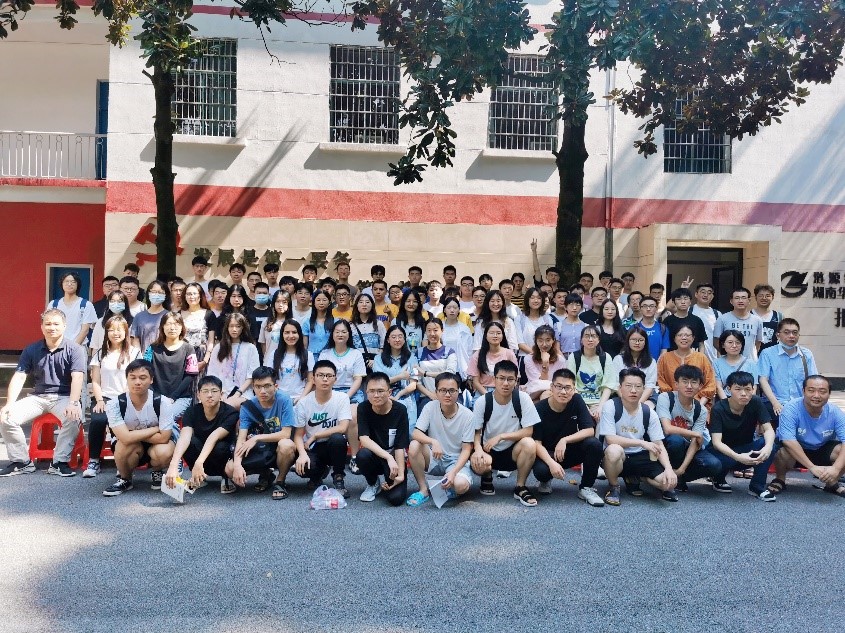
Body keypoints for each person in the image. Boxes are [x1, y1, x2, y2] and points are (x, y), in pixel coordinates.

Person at [0, 309, 86, 477]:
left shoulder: (75, 349)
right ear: (41, 327)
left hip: (64, 397)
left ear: (64, 326)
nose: (51, 327)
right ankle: (21, 462)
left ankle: (59, 462)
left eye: (56, 324)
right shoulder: (32, 349)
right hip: (38, 397)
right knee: (7, 417)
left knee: (74, 417)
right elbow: (19, 376)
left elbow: (77, 377)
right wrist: (9, 404)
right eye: (48, 324)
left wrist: (74, 403)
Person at [598, 368, 678, 505]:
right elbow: (610, 439)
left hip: (640, 456)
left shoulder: (649, 412)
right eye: (628, 386)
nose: (633, 390)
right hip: (619, 457)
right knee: (613, 450)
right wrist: (641, 443)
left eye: (638, 386)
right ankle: (614, 486)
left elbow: (659, 444)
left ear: (643, 389)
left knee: (668, 484)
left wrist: (669, 469)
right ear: (620, 388)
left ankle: (639, 478)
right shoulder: (611, 406)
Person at [470, 360, 540, 506]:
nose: (506, 383)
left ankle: (520, 486)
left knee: (529, 444)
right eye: (501, 378)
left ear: (516, 381)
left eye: (510, 379)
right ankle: (486, 475)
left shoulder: (523, 398)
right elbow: (477, 431)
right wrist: (478, 450)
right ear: (494, 379)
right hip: (488, 450)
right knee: (478, 460)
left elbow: (529, 431)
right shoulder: (483, 401)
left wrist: (501, 436)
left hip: (512, 451)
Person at [102, 359, 176, 496]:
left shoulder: (163, 402)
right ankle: (125, 479)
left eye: (143, 378)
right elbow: (125, 438)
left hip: (155, 445)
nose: (137, 382)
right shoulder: (115, 404)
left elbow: (164, 437)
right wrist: (156, 429)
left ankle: (157, 472)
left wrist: (132, 433)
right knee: (124, 445)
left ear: (151, 380)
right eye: (133, 377)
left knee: (165, 449)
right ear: (127, 379)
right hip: (131, 445)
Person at [532, 368, 605, 506]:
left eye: (567, 388)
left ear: (573, 389)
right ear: (551, 387)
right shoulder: (539, 408)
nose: (563, 392)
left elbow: (589, 430)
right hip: (548, 454)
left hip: (568, 450)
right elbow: (536, 443)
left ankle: (586, 487)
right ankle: (545, 480)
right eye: (559, 387)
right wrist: (551, 463)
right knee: (541, 471)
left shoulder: (576, 400)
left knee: (594, 444)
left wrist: (565, 440)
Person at [227, 366, 297, 500]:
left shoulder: (284, 400)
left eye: (267, 386)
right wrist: (237, 465)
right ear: (253, 387)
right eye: (258, 387)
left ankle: (280, 481)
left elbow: (286, 434)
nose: (262, 391)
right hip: (261, 449)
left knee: (286, 445)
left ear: (275, 386)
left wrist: (256, 438)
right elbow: (241, 439)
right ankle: (266, 474)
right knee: (230, 469)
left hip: (280, 446)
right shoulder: (248, 406)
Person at [84, 315, 142, 478]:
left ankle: (121, 460)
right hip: (104, 397)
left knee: (120, 422)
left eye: (119, 330)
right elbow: (95, 381)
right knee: (98, 420)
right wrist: (99, 400)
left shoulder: (134, 353)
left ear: (126, 332)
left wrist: (124, 398)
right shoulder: (100, 354)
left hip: (126, 397)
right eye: (111, 330)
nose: (115, 333)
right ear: (106, 332)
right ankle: (94, 460)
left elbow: (136, 378)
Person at [406, 372, 475, 506]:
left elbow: (466, 449)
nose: (447, 395)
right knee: (414, 445)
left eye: (452, 390)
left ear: (458, 391)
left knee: (461, 485)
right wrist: (433, 441)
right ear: (436, 392)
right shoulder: (430, 407)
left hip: (456, 461)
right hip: (435, 456)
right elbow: (416, 433)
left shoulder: (468, 415)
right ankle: (423, 490)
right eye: (443, 390)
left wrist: (453, 472)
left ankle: (450, 487)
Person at [706, 371, 778, 500]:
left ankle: (757, 486)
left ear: (753, 389)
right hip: (722, 454)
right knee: (713, 462)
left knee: (769, 444)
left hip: (745, 450)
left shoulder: (755, 402)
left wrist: (768, 447)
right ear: (729, 389)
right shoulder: (718, 408)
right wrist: (738, 457)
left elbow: (768, 429)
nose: (743, 393)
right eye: (738, 389)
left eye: (748, 389)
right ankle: (718, 478)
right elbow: (717, 443)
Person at [770, 375, 845, 497]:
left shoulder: (835, 412)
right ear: (803, 391)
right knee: (782, 451)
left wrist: (836, 469)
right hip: (795, 450)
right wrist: (812, 467)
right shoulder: (790, 409)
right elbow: (788, 440)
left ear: (829, 394)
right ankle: (780, 479)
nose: (816, 395)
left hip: (821, 448)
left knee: (842, 451)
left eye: (822, 391)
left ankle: (832, 482)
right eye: (811, 390)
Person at [164, 375, 239, 494]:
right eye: (205, 391)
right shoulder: (192, 411)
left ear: (221, 394)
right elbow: (184, 437)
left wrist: (199, 462)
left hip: (221, 456)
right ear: (198, 395)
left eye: (214, 391)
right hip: (201, 453)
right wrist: (173, 465)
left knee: (221, 447)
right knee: (189, 442)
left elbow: (214, 436)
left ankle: (225, 477)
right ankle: (199, 477)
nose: (210, 395)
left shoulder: (230, 412)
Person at [657, 365, 722, 495]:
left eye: (694, 382)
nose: (689, 386)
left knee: (714, 465)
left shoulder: (701, 410)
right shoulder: (666, 398)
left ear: (700, 386)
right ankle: (662, 473)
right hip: (664, 446)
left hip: (686, 448)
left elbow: (695, 442)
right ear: (676, 384)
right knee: (676, 440)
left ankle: (679, 477)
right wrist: (694, 433)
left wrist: (682, 469)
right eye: (685, 381)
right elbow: (667, 429)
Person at [292, 359, 352, 498]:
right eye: (320, 375)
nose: (325, 379)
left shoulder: (342, 398)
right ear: (313, 379)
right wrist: (302, 454)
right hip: (314, 447)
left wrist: (316, 435)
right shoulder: (303, 403)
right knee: (304, 466)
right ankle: (317, 474)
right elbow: (298, 435)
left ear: (335, 379)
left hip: (333, 446)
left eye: (329, 376)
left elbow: (343, 427)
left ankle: (338, 478)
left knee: (338, 439)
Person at [318, 320, 367, 471]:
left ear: (349, 335)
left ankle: (354, 457)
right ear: (332, 334)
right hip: (330, 391)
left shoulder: (356, 354)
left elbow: (358, 379)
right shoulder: (325, 354)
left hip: (352, 392)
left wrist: (347, 396)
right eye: (337, 331)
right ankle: (324, 457)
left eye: (344, 332)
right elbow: (321, 377)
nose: (340, 334)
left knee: (352, 417)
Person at [356, 372, 410, 505]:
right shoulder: (363, 408)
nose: (376, 395)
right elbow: (364, 439)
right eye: (371, 391)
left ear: (389, 392)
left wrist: (400, 475)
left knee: (396, 499)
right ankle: (373, 483)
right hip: (376, 457)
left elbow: (400, 446)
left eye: (380, 391)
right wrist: (388, 457)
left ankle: (390, 481)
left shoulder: (400, 410)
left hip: (394, 458)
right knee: (362, 455)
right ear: (366, 392)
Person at [758, 318, 817, 425]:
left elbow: (813, 381)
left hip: (801, 405)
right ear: (778, 335)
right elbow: (763, 380)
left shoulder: (806, 354)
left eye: (795, 332)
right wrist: (775, 403)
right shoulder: (767, 353)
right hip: (775, 405)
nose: (791, 336)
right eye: (786, 332)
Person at [144, 311, 199, 420]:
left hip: (180, 398)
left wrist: (173, 397)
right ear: (162, 327)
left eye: (176, 324)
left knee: (166, 417)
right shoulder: (152, 348)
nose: (172, 327)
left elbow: (190, 375)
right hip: (155, 397)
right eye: (168, 324)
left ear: (182, 327)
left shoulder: (189, 349)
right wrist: (156, 397)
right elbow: (145, 372)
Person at [206, 312, 261, 410]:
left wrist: (238, 393)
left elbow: (252, 376)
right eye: (231, 326)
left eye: (238, 326)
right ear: (227, 327)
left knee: (226, 407)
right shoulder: (218, 348)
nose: (234, 329)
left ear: (243, 328)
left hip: (243, 393)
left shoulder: (250, 348)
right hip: (220, 393)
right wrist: (220, 393)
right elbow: (212, 374)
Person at [565, 325, 618, 421]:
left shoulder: (605, 357)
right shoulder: (574, 357)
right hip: (577, 400)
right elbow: (571, 384)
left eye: (593, 336)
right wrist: (583, 407)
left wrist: (600, 407)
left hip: (598, 401)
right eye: (586, 336)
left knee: (602, 419)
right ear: (581, 340)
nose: (590, 339)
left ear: (598, 340)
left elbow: (608, 385)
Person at [656, 325, 717, 407]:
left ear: (693, 338)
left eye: (687, 335)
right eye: (680, 335)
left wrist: (698, 406)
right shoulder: (665, 358)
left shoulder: (701, 358)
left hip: (698, 404)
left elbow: (710, 384)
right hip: (671, 404)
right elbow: (661, 382)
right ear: (674, 338)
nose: (684, 338)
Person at [373, 326, 419, 431]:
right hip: (383, 398)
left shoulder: (412, 358)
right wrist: (400, 377)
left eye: (400, 336)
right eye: (393, 337)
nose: (397, 340)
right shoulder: (378, 359)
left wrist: (398, 396)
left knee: (409, 432)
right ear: (388, 340)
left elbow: (413, 384)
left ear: (404, 339)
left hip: (406, 398)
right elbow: (378, 383)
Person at [467, 322, 518, 401]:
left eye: (498, 333)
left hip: (505, 390)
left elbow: (515, 378)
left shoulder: (509, 354)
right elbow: (476, 382)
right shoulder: (477, 355)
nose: (495, 335)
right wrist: (489, 396)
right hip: (483, 391)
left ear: (502, 336)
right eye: (491, 333)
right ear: (486, 336)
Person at [416, 318, 458, 410]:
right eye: (429, 330)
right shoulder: (418, 353)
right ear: (425, 332)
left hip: (448, 395)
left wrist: (425, 373)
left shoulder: (449, 352)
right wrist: (431, 395)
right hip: (427, 396)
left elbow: (449, 374)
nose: (432, 334)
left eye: (435, 330)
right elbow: (417, 381)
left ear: (442, 331)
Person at [271, 319, 315, 404]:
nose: (291, 336)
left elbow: (310, 380)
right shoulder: (274, 354)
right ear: (282, 334)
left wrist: (301, 398)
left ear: (299, 334)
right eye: (287, 332)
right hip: (278, 399)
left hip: (299, 399)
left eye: (294, 332)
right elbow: (270, 378)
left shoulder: (308, 355)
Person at [48, 271, 98, 346]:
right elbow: (49, 325)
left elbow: (85, 330)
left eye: (73, 282)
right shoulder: (53, 304)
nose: (69, 284)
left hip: (78, 347)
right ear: (62, 284)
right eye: (66, 281)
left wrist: (73, 348)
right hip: (57, 347)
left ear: (78, 285)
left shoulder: (86, 305)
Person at [611, 326, 658, 407]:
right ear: (628, 341)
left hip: (645, 396)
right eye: (633, 340)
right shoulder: (618, 359)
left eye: (641, 340)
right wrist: (626, 401)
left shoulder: (651, 361)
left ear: (645, 342)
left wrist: (638, 403)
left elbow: (650, 385)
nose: (637, 343)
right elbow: (616, 383)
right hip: (622, 395)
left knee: (646, 408)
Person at [713, 287, 764, 360]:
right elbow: (716, 342)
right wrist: (728, 354)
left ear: (749, 300)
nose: (740, 301)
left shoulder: (757, 320)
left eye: (743, 298)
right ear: (731, 301)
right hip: (729, 361)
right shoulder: (722, 319)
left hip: (750, 361)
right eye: (737, 298)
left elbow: (758, 342)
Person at [521, 325, 566, 402]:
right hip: (534, 392)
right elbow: (539, 384)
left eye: (548, 340)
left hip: (554, 392)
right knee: (546, 395)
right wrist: (545, 363)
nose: (544, 344)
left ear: (553, 340)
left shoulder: (560, 360)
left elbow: (562, 381)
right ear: (536, 341)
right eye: (540, 340)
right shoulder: (528, 359)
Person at [181, 282, 216, 374]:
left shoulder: (209, 314)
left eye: (194, 293)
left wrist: (205, 360)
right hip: (182, 355)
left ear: (200, 296)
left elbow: (211, 341)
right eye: (188, 294)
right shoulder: (178, 314)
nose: (191, 296)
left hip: (202, 356)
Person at [714, 330, 759, 400]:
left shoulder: (751, 363)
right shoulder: (717, 363)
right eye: (730, 342)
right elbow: (718, 387)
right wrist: (727, 403)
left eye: (738, 343)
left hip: (746, 399)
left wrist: (747, 401)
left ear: (742, 345)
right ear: (723, 345)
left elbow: (753, 387)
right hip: (725, 399)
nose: (734, 346)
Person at [663, 288, 707, 352]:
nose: (683, 302)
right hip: (672, 356)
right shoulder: (667, 321)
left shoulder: (697, 320)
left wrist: (701, 356)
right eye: (679, 299)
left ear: (690, 302)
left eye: (685, 298)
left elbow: (701, 344)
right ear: (673, 302)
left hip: (693, 356)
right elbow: (664, 345)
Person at [129, 280, 168, 353]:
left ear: (165, 295)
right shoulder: (139, 316)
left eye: (160, 292)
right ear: (148, 293)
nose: (156, 295)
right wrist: (140, 356)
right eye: (154, 292)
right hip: (144, 357)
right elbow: (135, 339)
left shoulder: (169, 316)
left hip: (163, 356)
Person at [440, 297, 473, 379]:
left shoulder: (465, 329)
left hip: (460, 369)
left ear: (459, 310)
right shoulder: (439, 328)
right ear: (444, 310)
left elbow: (470, 352)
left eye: (455, 307)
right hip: (442, 368)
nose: (452, 310)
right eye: (449, 307)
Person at [259, 290, 292, 368]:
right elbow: (263, 345)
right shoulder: (266, 322)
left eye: (284, 302)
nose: (280, 305)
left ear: (289, 304)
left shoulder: (293, 322)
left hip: (287, 364)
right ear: (273, 303)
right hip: (269, 363)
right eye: (278, 301)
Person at [517, 288, 553, 356]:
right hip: (525, 356)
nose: (536, 300)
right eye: (532, 298)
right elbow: (520, 343)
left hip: (545, 357)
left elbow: (551, 340)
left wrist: (542, 356)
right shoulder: (519, 319)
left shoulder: (547, 318)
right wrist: (537, 356)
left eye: (539, 298)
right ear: (527, 300)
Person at [691, 283, 721, 363]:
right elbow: (670, 307)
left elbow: (720, 338)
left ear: (712, 296)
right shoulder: (689, 311)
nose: (706, 295)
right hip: (693, 357)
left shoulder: (717, 314)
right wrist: (683, 289)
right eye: (703, 292)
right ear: (696, 294)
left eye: (709, 293)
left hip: (713, 358)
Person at [393, 289, 427, 353]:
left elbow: (425, 343)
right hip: (401, 357)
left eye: (415, 301)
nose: (411, 304)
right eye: (408, 301)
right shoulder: (396, 322)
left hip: (417, 357)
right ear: (403, 303)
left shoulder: (422, 322)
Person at [752, 284, 782, 352]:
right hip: (753, 356)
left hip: (773, 355)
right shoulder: (748, 315)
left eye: (767, 296)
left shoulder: (779, 316)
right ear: (756, 297)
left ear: (772, 297)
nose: (764, 298)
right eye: (761, 295)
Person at [302, 289, 334, 355]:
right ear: (314, 302)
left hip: (330, 357)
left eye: (324, 300)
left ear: (329, 302)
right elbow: (304, 347)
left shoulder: (336, 322)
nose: (321, 303)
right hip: (312, 358)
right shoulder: (307, 323)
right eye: (318, 300)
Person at [555, 293, 587, 358]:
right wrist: (563, 361)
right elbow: (557, 348)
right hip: (563, 358)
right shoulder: (558, 326)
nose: (574, 308)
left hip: (581, 358)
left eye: (578, 305)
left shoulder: (586, 326)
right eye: (571, 304)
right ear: (565, 307)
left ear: (581, 308)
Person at [245, 282, 272, 357]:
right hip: (252, 348)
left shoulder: (273, 312)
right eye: (259, 293)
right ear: (254, 295)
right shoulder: (247, 311)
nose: (262, 295)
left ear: (269, 295)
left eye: (264, 293)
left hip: (269, 347)